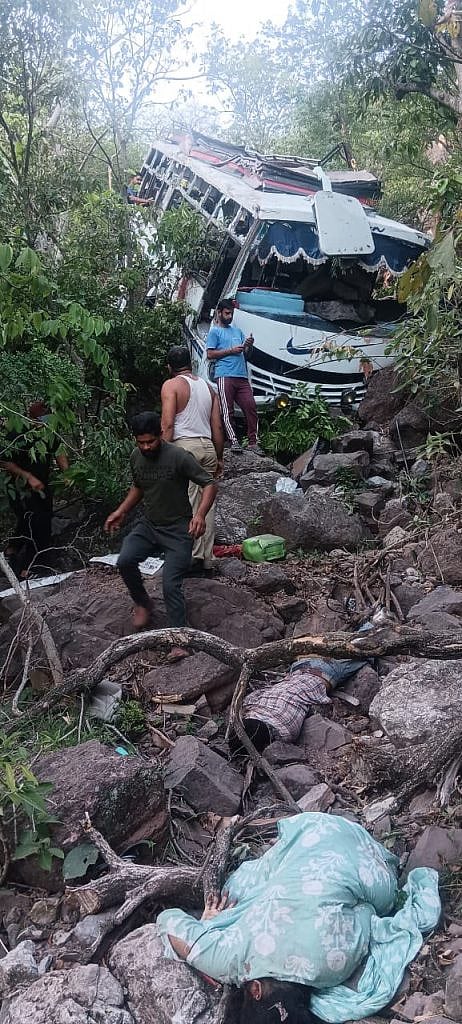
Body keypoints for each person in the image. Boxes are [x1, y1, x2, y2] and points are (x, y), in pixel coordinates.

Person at [156, 813, 440, 1024]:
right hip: (319, 828)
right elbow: (168, 920)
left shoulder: (332, 972)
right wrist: (209, 922)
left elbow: (367, 912)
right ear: (254, 990)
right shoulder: (232, 960)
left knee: (375, 899)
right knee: (242, 889)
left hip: (372, 863)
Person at [104, 412, 217, 642]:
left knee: (170, 584)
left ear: (161, 435)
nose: (146, 447)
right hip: (149, 525)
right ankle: (143, 603)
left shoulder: (178, 456)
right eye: (141, 442)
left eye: (150, 441)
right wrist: (121, 511)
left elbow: (209, 483)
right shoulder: (136, 456)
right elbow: (139, 486)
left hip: (178, 529)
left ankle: (178, 639)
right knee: (125, 560)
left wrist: (200, 515)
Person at [160, 345, 224, 571]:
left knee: (186, 503)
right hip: (207, 446)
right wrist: (218, 456)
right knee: (207, 504)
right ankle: (206, 559)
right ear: (192, 363)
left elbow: (168, 424)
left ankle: (191, 558)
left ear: (169, 367)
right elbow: (217, 425)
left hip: (183, 448)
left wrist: (160, 455)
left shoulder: (171, 385)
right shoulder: (210, 388)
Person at [229, 655, 368, 755]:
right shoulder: (254, 706)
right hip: (298, 667)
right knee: (349, 644)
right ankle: (373, 621)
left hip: (324, 673)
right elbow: (247, 701)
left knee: (366, 654)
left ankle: (376, 624)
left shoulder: (286, 733)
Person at [1, 401, 69, 578]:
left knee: (43, 523)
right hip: (19, 488)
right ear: (32, 418)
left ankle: (15, 555)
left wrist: (68, 473)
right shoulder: (17, 431)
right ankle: (27, 568)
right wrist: (27, 477)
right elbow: (6, 461)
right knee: (32, 522)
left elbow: (59, 451)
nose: (43, 424)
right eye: (41, 421)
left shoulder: (49, 430)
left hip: (43, 485)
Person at [206, 297, 262, 454]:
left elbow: (246, 353)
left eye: (231, 314)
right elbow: (210, 354)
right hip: (224, 374)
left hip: (241, 375)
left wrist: (248, 345)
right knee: (227, 409)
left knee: (250, 406)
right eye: (227, 313)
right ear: (219, 313)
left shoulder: (237, 331)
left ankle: (253, 442)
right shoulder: (214, 332)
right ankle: (233, 441)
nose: (229, 317)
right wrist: (230, 351)